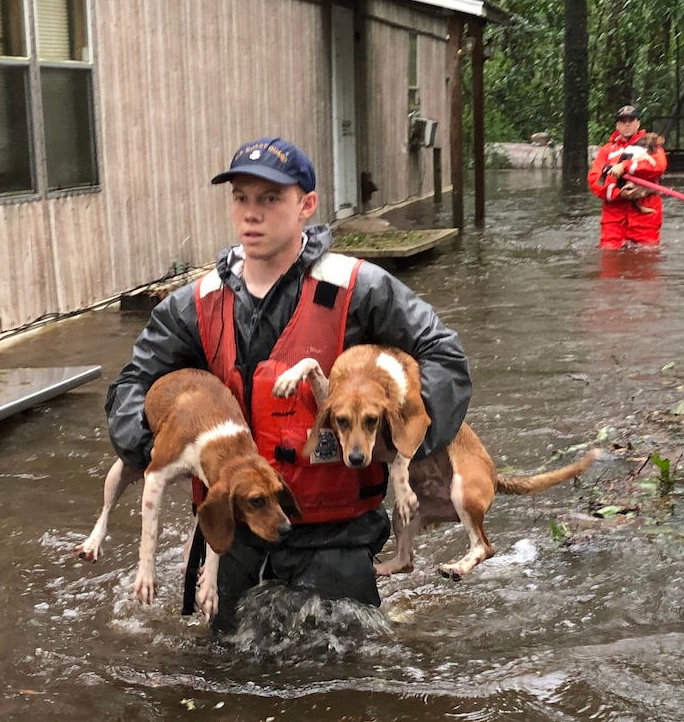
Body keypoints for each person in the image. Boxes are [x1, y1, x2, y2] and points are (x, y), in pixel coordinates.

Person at [105, 137, 471, 634]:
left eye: (270, 199)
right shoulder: (193, 304)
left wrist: (405, 437)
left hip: (335, 535)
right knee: (223, 679)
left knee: (345, 682)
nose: (251, 214)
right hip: (230, 529)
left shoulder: (361, 288)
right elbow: (133, 385)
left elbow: (444, 356)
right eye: (241, 198)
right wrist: (161, 448)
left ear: (306, 205)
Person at [587, 105, 668, 249]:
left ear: (638, 123)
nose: (627, 123)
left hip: (645, 217)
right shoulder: (606, 150)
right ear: (617, 125)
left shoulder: (651, 146)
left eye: (631, 120)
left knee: (646, 261)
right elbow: (594, 181)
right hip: (614, 219)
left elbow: (658, 166)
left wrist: (625, 165)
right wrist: (619, 193)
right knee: (609, 259)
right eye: (623, 120)